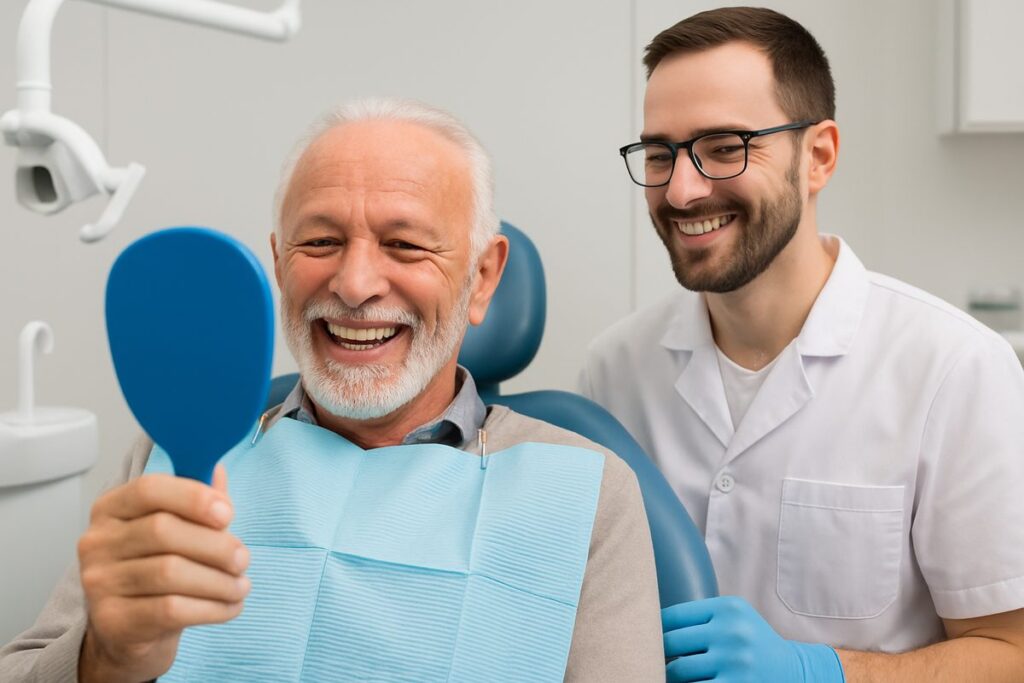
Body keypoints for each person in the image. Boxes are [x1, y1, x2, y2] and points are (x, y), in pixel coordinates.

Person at [0, 97, 664, 682]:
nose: (353, 284)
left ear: (482, 277)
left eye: (404, 244)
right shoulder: (177, 453)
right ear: (280, 264)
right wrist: (102, 661)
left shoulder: (591, 492)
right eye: (320, 240)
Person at [579, 6, 1024, 682]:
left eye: (725, 146)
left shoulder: (954, 368)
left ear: (817, 157)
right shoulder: (612, 372)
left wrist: (823, 670)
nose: (682, 188)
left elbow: (1011, 652)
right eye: (661, 153)